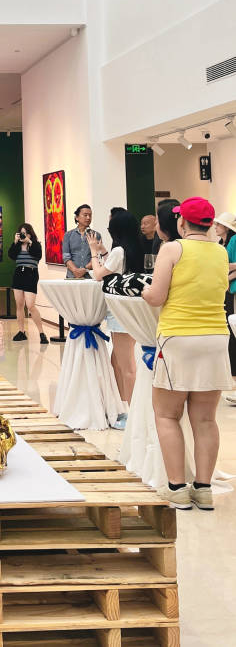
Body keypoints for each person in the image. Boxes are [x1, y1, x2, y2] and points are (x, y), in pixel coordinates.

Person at [142, 197, 230, 510]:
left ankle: (177, 488)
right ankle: (203, 489)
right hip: (216, 338)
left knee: (167, 415)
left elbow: (156, 296)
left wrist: (144, 290)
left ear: (181, 222)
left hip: (178, 337)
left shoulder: (172, 249)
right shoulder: (220, 251)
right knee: (205, 419)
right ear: (209, 224)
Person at [89, 210, 144, 429]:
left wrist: (94, 252)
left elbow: (98, 274)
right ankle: (122, 408)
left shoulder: (120, 251)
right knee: (117, 363)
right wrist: (104, 251)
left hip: (120, 312)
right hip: (130, 309)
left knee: (126, 366)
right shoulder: (134, 248)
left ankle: (133, 414)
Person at [8, 223, 47, 344]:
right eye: (21, 233)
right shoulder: (18, 245)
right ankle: (21, 331)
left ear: (30, 234)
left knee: (30, 305)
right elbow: (11, 255)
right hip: (19, 274)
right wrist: (15, 242)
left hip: (31, 274)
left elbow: (38, 255)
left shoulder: (35, 244)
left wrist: (29, 242)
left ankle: (41, 333)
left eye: (25, 233)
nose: (23, 235)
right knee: (19, 305)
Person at [213, 212, 236, 406]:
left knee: (232, 329)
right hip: (227, 288)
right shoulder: (222, 243)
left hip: (232, 289)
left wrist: (223, 274)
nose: (215, 227)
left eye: (218, 224)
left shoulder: (233, 240)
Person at [62, 205, 106, 279]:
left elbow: (97, 256)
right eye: (85, 215)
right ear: (77, 217)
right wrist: (75, 271)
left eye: (90, 215)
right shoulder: (68, 235)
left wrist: (84, 269)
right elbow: (66, 257)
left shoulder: (96, 235)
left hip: (90, 277)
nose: (88, 218)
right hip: (72, 276)